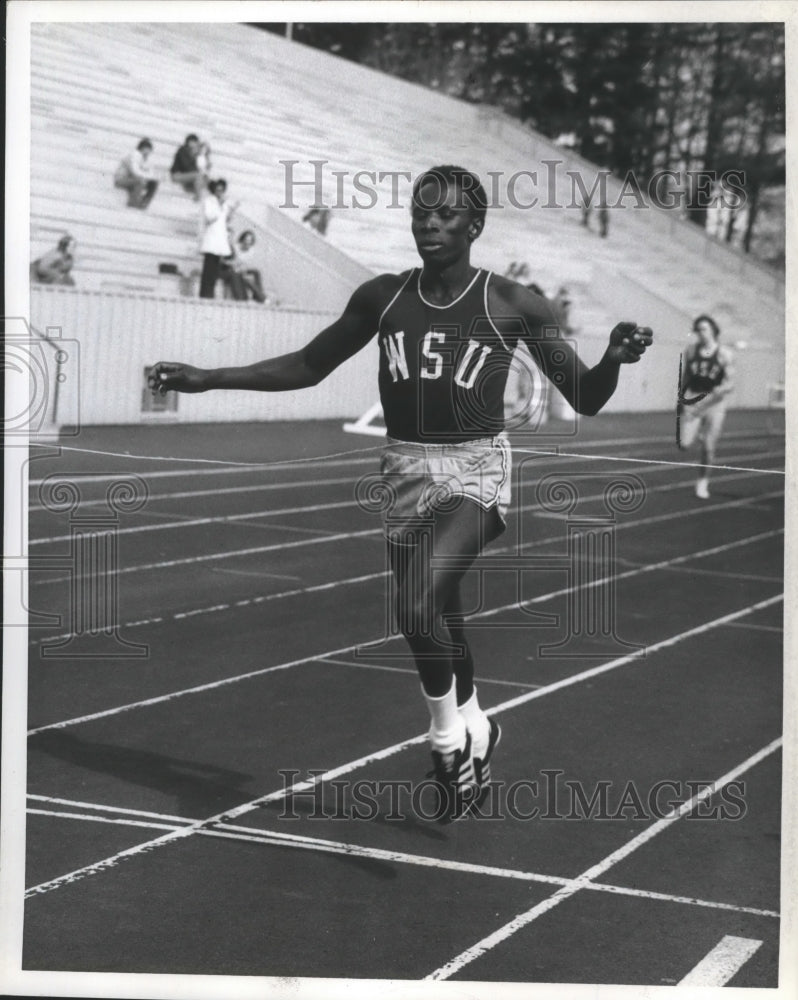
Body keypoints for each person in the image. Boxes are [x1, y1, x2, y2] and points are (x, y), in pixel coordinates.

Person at [149, 165, 652, 821]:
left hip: (476, 468)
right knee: (442, 616)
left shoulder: (513, 302)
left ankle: (445, 741)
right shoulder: (383, 297)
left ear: (475, 226)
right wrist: (208, 377)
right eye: (421, 213)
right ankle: (477, 726)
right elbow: (308, 365)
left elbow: (585, 395)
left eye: (446, 215)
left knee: (416, 605)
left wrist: (613, 357)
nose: (430, 224)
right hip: (403, 468)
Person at [677, 314, 735, 499]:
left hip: (714, 403)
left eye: (704, 329)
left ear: (713, 330)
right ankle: (699, 431)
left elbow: (730, 383)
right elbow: (685, 377)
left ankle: (702, 483)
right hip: (695, 397)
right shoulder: (691, 351)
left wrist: (720, 390)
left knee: (708, 447)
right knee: (684, 444)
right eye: (698, 330)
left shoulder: (725, 354)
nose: (701, 333)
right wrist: (682, 400)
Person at [199, 179, 238, 299]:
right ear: (214, 190)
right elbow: (210, 217)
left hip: (220, 239)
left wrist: (232, 210)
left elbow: (225, 220)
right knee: (208, 268)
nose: (220, 192)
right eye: (218, 189)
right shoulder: (209, 201)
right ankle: (204, 293)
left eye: (222, 190)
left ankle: (210, 293)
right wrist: (220, 206)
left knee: (215, 269)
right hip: (211, 238)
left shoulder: (224, 203)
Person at [114, 138, 159, 209]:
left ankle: (144, 203)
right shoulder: (134, 155)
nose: (148, 153)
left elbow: (150, 172)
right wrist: (147, 176)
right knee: (140, 181)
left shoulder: (145, 159)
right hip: (121, 180)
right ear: (142, 148)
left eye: (149, 151)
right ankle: (133, 203)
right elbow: (135, 171)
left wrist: (150, 177)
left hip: (132, 180)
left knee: (154, 183)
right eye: (147, 150)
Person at [222, 230, 267, 303]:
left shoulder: (251, 250)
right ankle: (260, 297)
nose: (247, 242)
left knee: (256, 272)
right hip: (234, 268)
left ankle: (257, 296)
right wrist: (236, 266)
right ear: (242, 239)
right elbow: (229, 261)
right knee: (245, 278)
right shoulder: (235, 247)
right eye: (246, 239)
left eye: (250, 240)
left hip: (241, 268)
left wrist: (243, 268)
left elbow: (246, 264)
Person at [170, 133, 205, 200]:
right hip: (177, 175)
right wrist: (194, 156)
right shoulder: (182, 150)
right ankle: (198, 197)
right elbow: (186, 166)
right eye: (193, 142)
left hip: (185, 176)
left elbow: (195, 168)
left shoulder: (192, 153)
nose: (195, 145)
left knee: (203, 179)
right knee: (198, 175)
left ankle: (195, 193)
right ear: (188, 142)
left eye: (196, 143)